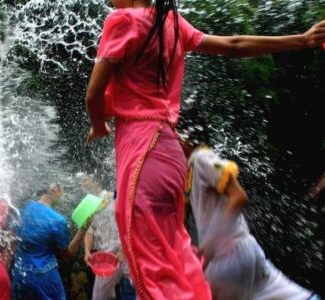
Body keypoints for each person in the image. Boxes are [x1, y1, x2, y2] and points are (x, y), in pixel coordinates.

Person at [83, 0, 325, 299]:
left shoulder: (122, 20)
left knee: (149, 262)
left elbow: (93, 94)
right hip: (168, 151)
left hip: (142, 150)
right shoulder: (172, 22)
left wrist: (98, 124)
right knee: (174, 255)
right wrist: (302, 39)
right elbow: (234, 45)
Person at [186, 146, 320, 300]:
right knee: (288, 294)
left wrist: (211, 245)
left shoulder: (200, 158)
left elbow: (239, 197)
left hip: (226, 258)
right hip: (245, 249)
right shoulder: (187, 173)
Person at [11, 184, 92, 300]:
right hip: (44, 279)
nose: (63, 195)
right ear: (55, 189)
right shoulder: (57, 220)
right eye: (63, 190)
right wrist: (83, 228)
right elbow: (67, 254)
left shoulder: (25, 208)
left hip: (20, 274)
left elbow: (14, 237)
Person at [79, 174, 136, 300]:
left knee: (135, 289)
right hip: (106, 259)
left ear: (97, 181)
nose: (83, 184)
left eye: (85, 180)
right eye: (81, 182)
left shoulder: (113, 195)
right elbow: (89, 229)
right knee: (99, 297)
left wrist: (122, 250)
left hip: (125, 252)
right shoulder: (88, 203)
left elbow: (129, 221)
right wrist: (87, 251)